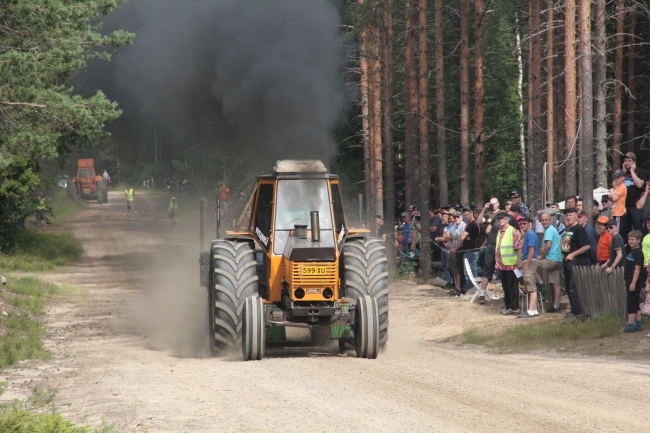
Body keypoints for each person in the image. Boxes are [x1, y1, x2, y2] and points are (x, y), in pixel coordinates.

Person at [477, 205, 518, 304]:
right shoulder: (512, 220)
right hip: (501, 246)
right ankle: (508, 296)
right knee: (505, 272)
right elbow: (518, 234)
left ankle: (482, 294)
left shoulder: (496, 218)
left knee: (487, 269)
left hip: (490, 244)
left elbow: (487, 230)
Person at [561, 207, 590, 318]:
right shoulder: (568, 229)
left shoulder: (579, 229)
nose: (568, 217)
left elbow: (587, 246)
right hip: (567, 260)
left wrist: (573, 254)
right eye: (567, 215)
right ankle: (573, 309)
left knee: (574, 286)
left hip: (577, 261)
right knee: (568, 286)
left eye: (570, 215)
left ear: (576, 216)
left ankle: (577, 311)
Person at [534, 212, 565, 313]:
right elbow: (561, 242)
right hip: (558, 260)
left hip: (550, 260)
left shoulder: (549, 231)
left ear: (550, 220)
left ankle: (540, 283)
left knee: (530, 263)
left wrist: (541, 256)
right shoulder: (554, 230)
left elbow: (548, 245)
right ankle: (556, 306)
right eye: (542, 220)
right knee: (555, 283)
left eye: (546, 220)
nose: (544, 222)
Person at [495, 212, 522, 315]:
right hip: (502, 264)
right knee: (505, 286)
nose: (500, 220)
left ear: (507, 219)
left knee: (512, 286)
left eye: (502, 218)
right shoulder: (499, 231)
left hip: (511, 264)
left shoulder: (513, 231)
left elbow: (518, 247)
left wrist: (519, 261)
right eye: (499, 219)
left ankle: (514, 307)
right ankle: (508, 306)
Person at [452, 207, 479, 294]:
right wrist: (465, 236)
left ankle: (473, 290)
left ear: (471, 213)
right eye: (465, 215)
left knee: (471, 271)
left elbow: (462, 237)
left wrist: (465, 236)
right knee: (467, 272)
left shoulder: (472, 224)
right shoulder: (468, 224)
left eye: (467, 214)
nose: (466, 216)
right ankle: (471, 289)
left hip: (472, 251)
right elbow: (463, 237)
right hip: (468, 250)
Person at [623, 230, 646, 332]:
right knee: (635, 302)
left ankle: (630, 325)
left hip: (634, 280)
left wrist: (633, 283)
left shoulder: (638, 252)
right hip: (629, 279)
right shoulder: (631, 251)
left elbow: (637, 268)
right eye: (629, 239)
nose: (631, 241)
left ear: (639, 240)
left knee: (631, 302)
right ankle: (639, 323)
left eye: (633, 239)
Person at [518, 217, 539, 318]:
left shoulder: (530, 234)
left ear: (530, 224)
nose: (522, 225)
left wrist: (526, 264)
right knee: (528, 286)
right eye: (521, 224)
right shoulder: (527, 234)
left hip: (529, 262)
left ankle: (530, 310)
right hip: (528, 261)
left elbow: (531, 251)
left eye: (524, 223)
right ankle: (534, 310)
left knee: (531, 288)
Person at [622, 152, 647, 232]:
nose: (627, 163)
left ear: (634, 162)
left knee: (637, 229)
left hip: (636, 206)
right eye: (625, 161)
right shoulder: (623, 173)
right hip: (624, 206)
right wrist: (623, 172)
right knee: (625, 230)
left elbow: (639, 185)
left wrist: (632, 171)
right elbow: (616, 185)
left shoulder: (640, 172)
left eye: (629, 161)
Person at [610, 169, 628, 235]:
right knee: (613, 229)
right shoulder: (617, 187)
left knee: (617, 231)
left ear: (623, 178)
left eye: (618, 177)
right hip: (615, 212)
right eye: (615, 177)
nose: (616, 179)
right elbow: (610, 197)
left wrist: (611, 190)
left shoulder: (622, 187)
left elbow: (614, 198)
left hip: (619, 212)